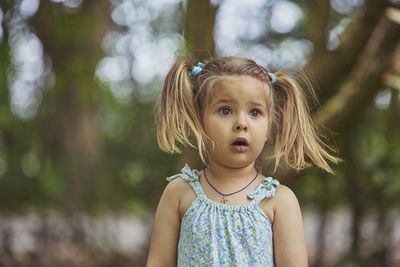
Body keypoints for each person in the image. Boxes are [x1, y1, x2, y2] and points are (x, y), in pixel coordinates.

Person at [146, 56, 342, 266]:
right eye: (225, 110)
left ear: (268, 127)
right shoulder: (179, 194)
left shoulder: (280, 202)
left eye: (255, 113)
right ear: (199, 119)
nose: (241, 123)